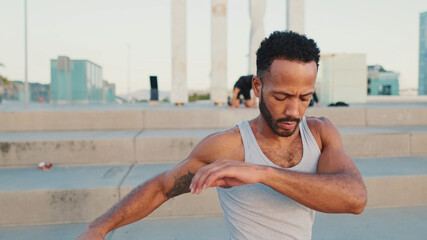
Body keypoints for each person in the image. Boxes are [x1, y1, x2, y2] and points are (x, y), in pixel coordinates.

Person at [76, 31, 367, 240]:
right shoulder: (230, 145)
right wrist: (99, 227)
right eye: (282, 96)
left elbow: (355, 199)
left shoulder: (320, 133)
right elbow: (162, 187)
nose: (294, 110)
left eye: (305, 97)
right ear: (257, 86)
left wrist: (263, 173)